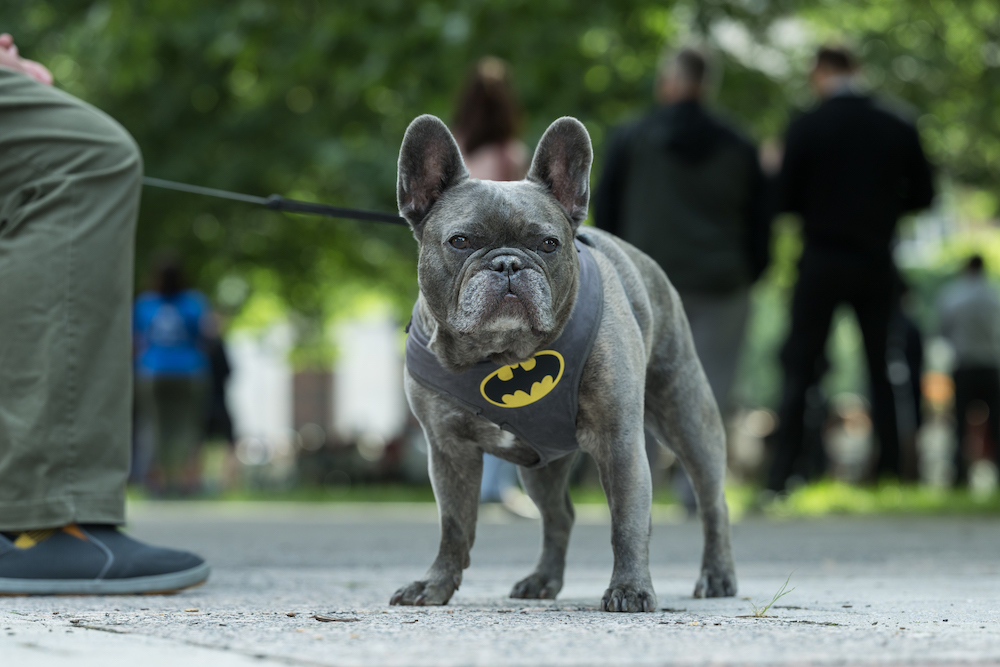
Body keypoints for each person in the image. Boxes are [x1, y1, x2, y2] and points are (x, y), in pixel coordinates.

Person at [0, 34, 208, 594]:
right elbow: (204, 331)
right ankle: (42, 517)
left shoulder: (160, 303)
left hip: (160, 370)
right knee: (83, 154)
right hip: (180, 371)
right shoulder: (189, 301)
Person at [594, 47, 771, 509]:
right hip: (721, 283)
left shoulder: (632, 136)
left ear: (667, 82)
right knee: (710, 388)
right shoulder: (739, 142)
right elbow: (761, 219)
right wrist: (751, 271)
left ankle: (637, 491)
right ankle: (699, 491)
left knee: (637, 385)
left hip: (644, 280)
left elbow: (605, 211)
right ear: (706, 84)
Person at [766, 45, 935, 492]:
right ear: (856, 69)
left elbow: (781, 200)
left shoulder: (806, 125)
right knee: (883, 365)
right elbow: (925, 195)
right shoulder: (896, 121)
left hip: (820, 257)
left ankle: (783, 473)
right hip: (877, 258)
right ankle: (893, 470)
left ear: (820, 71)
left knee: (801, 365)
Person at [450, 57, 535, 516]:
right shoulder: (510, 155)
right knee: (512, 378)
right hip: (505, 285)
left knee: (459, 380)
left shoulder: (454, 150)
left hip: (459, 284)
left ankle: (465, 476)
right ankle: (498, 483)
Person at [133, 256, 211, 496]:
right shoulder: (194, 302)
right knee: (187, 427)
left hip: (153, 370)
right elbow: (208, 335)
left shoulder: (144, 303)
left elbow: (135, 340)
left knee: (154, 426)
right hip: (189, 370)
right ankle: (186, 482)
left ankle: (158, 482)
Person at [937, 255, 1000, 486]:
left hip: (964, 365)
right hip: (991, 365)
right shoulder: (995, 295)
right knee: (996, 425)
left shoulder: (953, 296)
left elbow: (943, 331)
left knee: (960, 426)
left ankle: (959, 476)